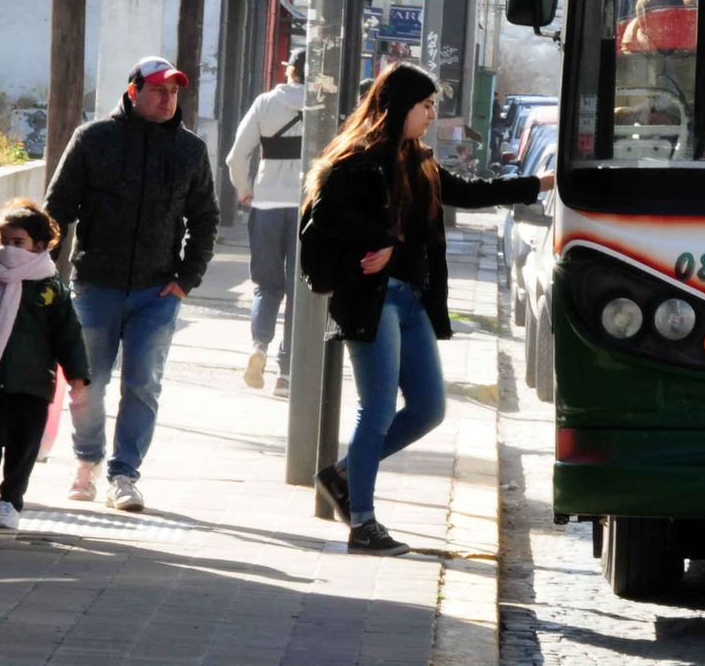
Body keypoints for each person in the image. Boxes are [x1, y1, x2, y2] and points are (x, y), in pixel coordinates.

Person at [301, 63, 552, 556]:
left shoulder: (420, 161)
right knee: (375, 411)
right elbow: (322, 221)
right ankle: (363, 523)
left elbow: (471, 193)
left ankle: (344, 475)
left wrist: (539, 184)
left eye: (433, 105)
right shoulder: (358, 161)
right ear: (399, 108)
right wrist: (383, 241)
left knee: (429, 409)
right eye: (426, 106)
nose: (432, 114)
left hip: (411, 300)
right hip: (372, 302)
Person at [45, 56, 218, 513]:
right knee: (88, 383)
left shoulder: (190, 151)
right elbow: (57, 209)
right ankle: (87, 462)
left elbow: (205, 220)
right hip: (95, 287)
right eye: (159, 89)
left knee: (142, 383)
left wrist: (186, 280)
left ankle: (124, 475)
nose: (167, 99)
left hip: (157, 293)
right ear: (133, 91)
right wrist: (41, 274)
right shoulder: (93, 140)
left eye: (174, 91)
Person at [0, 199, 90, 530]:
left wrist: (79, 374)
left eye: (18, 243)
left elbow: (68, 333)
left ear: (39, 245)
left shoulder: (50, 288)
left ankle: (11, 502)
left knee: (24, 447)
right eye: (4, 241)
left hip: (34, 383)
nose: (9, 249)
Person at [226, 48, 306, 397]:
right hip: (308, 208)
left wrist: (245, 190)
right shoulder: (327, 107)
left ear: (290, 71)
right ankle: (285, 375)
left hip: (268, 204)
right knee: (300, 293)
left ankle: (259, 346)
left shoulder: (264, 103)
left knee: (267, 285)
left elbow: (235, 156)